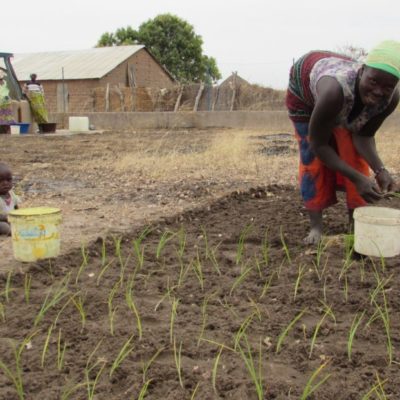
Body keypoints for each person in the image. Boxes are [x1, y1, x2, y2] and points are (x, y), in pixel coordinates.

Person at [286, 40, 400, 244]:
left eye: (388, 86)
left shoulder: (390, 98)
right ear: (363, 70)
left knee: (353, 154)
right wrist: (357, 179)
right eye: (373, 81)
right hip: (305, 89)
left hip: (339, 85)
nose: (379, 91)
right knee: (311, 159)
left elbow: (364, 136)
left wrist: (381, 171)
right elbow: (318, 145)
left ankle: (355, 223)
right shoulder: (334, 91)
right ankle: (316, 228)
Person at [0, 163, 20, 236]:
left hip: (10, 219)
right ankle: (11, 232)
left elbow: (16, 206)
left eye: (9, 180)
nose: (5, 183)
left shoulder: (12, 194)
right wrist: (5, 218)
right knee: (4, 226)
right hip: (2, 221)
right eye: (0, 181)